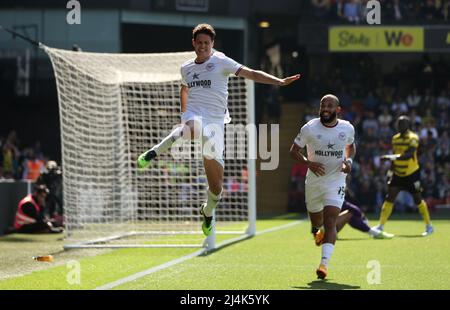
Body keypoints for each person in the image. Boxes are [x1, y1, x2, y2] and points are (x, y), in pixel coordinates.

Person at [137, 23, 300, 236]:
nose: (203, 46)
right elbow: (184, 89)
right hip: (194, 115)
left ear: (212, 44)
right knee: (192, 128)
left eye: (207, 43)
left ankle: (207, 211)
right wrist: (185, 114)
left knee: (216, 189)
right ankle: (153, 152)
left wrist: (277, 81)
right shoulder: (186, 67)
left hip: (216, 126)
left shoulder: (221, 61)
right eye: (200, 43)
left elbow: (250, 72)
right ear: (194, 44)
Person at [289, 94, 355, 280]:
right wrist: (308, 163)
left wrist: (348, 161)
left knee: (330, 221)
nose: (325, 108)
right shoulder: (309, 128)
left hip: (336, 180)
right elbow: (293, 151)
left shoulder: (347, 128)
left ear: (338, 110)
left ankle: (323, 265)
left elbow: (351, 146)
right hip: (314, 182)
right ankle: (319, 231)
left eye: (330, 106)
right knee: (316, 223)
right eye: (323, 105)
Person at [373, 115, 434, 236]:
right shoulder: (395, 138)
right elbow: (397, 156)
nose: (399, 126)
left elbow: (409, 155)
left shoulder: (413, 138)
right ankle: (380, 226)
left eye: (402, 123)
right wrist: (390, 172)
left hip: (411, 174)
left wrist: (388, 157)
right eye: (398, 123)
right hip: (398, 174)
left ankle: (429, 226)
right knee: (389, 198)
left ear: (408, 125)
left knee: (418, 200)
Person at [315, 200, 394, 242]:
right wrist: (362, 217)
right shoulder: (333, 193)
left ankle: (372, 232)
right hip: (322, 230)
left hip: (320, 229)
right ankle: (373, 232)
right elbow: (354, 209)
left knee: (349, 214)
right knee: (349, 214)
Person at [36, 160, 64, 226]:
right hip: (46, 195)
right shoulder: (44, 174)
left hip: (54, 194)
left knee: (55, 208)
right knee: (45, 208)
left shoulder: (57, 174)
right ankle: (44, 221)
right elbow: (39, 183)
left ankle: (55, 221)